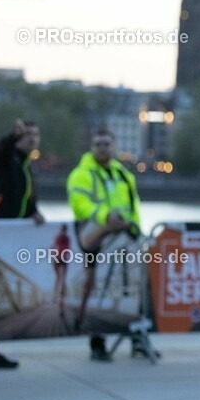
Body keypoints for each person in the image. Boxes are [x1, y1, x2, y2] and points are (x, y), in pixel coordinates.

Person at [67, 128, 142, 361]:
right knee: (99, 287)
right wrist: (105, 216)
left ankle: (137, 337)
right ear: (91, 147)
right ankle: (97, 341)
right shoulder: (81, 174)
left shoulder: (123, 175)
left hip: (124, 239)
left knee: (133, 287)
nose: (103, 148)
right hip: (96, 239)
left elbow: (134, 207)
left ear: (114, 146)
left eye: (107, 144)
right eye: (98, 144)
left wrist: (136, 230)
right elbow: (79, 204)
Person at [0, 119, 45, 368]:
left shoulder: (25, 168)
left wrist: (34, 212)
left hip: (6, 242)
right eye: (26, 135)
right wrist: (11, 137)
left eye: (35, 135)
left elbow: (23, 200)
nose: (31, 139)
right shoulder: (6, 160)